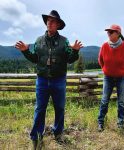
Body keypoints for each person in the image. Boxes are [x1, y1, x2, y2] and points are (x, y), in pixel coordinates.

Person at [15, 10, 83, 148]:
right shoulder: (38, 40)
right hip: (42, 80)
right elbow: (35, 58)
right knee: (40, 108)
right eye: (48, 20)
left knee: (59, 108)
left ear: (58, 25)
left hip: (59, 80)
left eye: (52, 21)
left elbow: (70, 60)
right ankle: (36, 136)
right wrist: (25, 51)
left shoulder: (64, 41)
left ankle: (58, 133)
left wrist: (75, 51)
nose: (49, 23)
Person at [98, 24, 124, 132]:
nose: (108, 33)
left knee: (121, 101)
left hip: (122, 78)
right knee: (104, 100)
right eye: (108, 32)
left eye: (111, 32)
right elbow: (100, 60)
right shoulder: (104, 46)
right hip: (108, 78)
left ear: (118, 33)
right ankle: (100, 122)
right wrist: (105, 70)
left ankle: (120, 124)